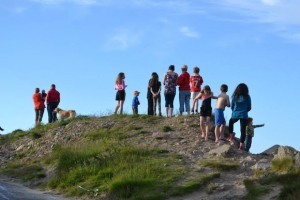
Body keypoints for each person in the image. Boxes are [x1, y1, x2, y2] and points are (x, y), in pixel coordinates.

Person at [228, 83, 252, 150]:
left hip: (235, 114)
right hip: (244, 115)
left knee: (231, 122)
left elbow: (232, 106)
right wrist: (245, 111)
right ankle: (241, 144)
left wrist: (235, 111)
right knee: (243, 130)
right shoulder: (247, 97)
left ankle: (231, 135)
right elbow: (249, 107)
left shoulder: (235, 96)